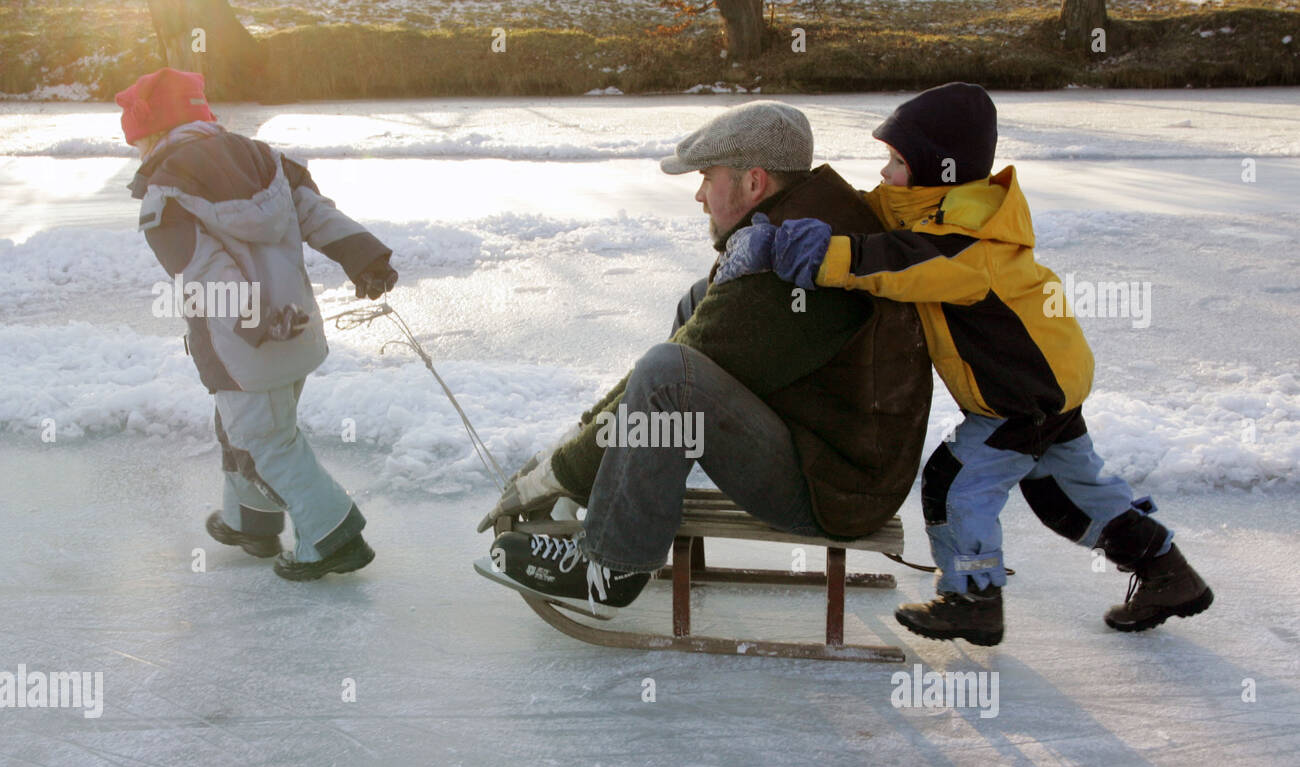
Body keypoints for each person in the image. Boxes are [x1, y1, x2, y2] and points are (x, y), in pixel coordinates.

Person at [712, 82, 1213, 644]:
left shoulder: (968, 244)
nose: (884, 174)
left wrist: (792, 250)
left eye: (897, 162)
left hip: (1023, 395)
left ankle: (973, 599)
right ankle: (1169, 573)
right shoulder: (929, 207)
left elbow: (894, 263)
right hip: (1050, 383)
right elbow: (873, 216)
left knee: (953, 483)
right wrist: (800, 215)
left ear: (935, 169)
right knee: (1065, 498)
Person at [476, 101, 932, 614]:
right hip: (827, 447)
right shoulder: (802, 227)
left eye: (707, 177)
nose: (698, 195)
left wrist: (556, 472)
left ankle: (611, 567)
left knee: (670, 375)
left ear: (754, 183)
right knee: (697, 304)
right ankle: (623, 485)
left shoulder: (787, 274)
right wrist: (583, 442)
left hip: (839, 489)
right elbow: (699, 338)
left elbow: (679, 365)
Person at [117, 68, 397, 580]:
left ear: (151, 133)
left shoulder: (167, 195)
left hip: (247, 341)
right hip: (295, 333)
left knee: (268, 441)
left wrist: (259, 319)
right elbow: (316, 214)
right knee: (242, 427)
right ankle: (251, 520)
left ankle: (334, 537)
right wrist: (363, 257)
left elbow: (207, 273)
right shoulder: (265, 160)